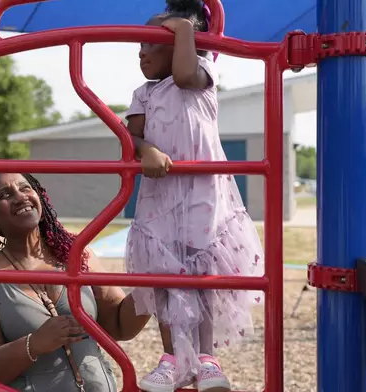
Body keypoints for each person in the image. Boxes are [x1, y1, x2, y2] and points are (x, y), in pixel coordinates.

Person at [123, 0, 265, 391]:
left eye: (152, 42)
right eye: (139, 45)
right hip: (161, 194)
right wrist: (144, 148)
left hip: (203, 191)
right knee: (165, 276)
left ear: (184, 43)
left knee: (200, 272)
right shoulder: (144, 93)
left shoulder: (202, 73)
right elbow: (130, 136)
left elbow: (184, 74)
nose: (141, 51)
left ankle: (205, 359)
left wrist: (184, 28)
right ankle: (171, 359)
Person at [0, 172, 152, 392]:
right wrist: (34, 344)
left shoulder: (78, 255)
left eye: (25, 188)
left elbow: (119, 325)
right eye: (5, 194)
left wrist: (150, 288)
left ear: (39, 196)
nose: (20, 197)